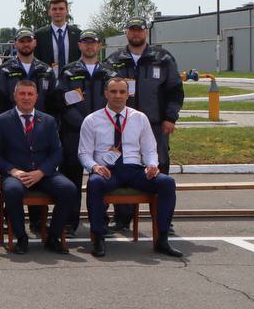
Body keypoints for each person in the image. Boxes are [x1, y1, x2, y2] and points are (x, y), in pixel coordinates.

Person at [80, 77, 182, 257]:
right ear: (106, 94)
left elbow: (150, 148)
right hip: (108, 171)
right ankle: (98, 238)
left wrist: (152, 165)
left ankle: (162, 238)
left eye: (122, 92)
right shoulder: (92, 120)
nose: (117, 96)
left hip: (134, 170)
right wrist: (94, 167)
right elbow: (84, 153)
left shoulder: (139, 118)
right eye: (113, 91)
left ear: (128, 94)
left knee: (166, 182)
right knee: (94, 184)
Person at [103, 16, 183, 234]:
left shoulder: (162, 57)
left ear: (146, 32)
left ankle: (163, 218)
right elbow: (106, 90)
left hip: (156, 125)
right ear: (126, 33)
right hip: (123, 125)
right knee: (123, 167)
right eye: (132, 30)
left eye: (139, 30)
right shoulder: (114, 60)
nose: (135, 34)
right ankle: (122, 217)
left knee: (158, 166)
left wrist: (170, 118)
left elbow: (175, 90)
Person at [0, 80, 78, 254]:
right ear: (15, 96)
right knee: (12, 191)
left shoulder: (48, 120)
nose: (26, 98)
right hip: (16, 175)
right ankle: (21, 237)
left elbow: (57, 152)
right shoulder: (1, 120)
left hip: (43, 174)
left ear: (36, 97)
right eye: (22, 94)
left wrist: (42, 171)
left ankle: (53, 237)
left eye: (30, 94)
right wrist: (13, 171)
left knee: (69, 189)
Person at [0, 29, 55, 234]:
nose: (26, 44)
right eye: (22, 41)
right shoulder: (5, 70)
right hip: (12, 127)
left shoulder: (45, 70)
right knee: (12, 179)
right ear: (15, 44)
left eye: (29, 41)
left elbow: (54, 101)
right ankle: (11, 221)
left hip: (41, 127)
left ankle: (38, 221)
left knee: (39, 174)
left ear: (35, 43)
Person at [54, 30, 111, 233]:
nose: (89, 46)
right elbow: (62, 102)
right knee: (71, 179)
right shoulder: (69, 72)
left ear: (99, 46)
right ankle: (70, 221)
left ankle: (101, 221)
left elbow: (116, 101)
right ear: (79, 46)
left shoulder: (109, 73)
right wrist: (85, 124)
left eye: (93, 43)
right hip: (74, 132)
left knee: (103, 177)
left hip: (104, 134)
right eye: (85, 43)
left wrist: (100, 127)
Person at [33, 0, 82, 72]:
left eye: (61, 9)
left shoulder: (78, 34)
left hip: (72, 79)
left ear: (67, 11)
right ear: (49, 12)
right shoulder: (39, 35)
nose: (58, 12)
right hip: (48, 78)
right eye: (54, 9)